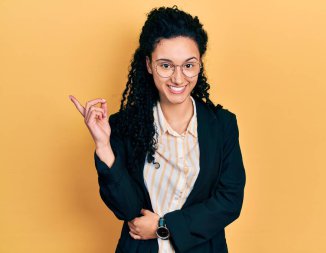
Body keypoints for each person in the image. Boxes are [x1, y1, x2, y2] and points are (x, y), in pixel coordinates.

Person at [69, 5, 245, 253]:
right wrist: (103, 146)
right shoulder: (124, 126)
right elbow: (127, 210)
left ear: (199, 65)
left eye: (188, 65)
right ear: (149, 65)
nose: (178, 78)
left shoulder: (222, 125)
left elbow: (229, 202)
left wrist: (164, 226)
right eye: (166, 65)